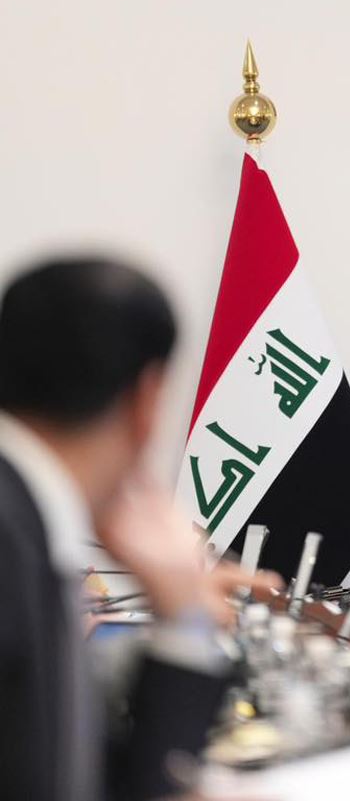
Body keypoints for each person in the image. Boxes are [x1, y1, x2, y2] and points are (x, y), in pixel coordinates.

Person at [0, 257, 278, 801]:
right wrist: (187, 617)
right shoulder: (13, 539)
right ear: (147, 399)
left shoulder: (29, 523)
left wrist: (183, 614)